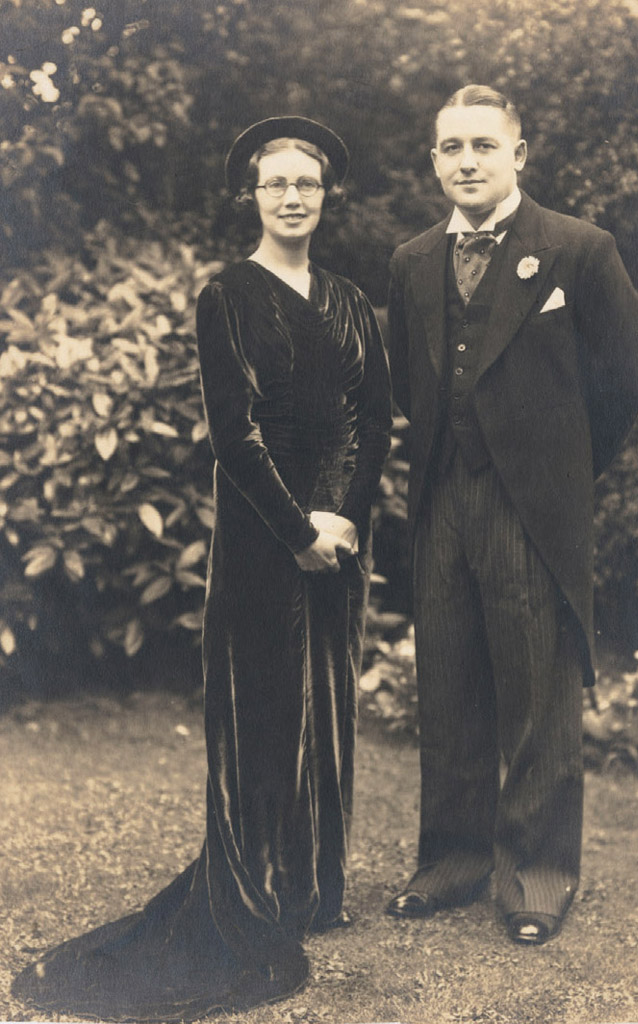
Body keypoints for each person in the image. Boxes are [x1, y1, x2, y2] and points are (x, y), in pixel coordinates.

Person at [12, 116, 391, 1020]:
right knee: (265, 705)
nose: (292, 196)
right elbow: (235, 435)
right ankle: (261, 887)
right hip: (265, 538)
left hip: (340, 533)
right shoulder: (226, 294)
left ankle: (313, 890)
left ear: (325, 193)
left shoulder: (350, 300)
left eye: (306, 182)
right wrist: (300, 530)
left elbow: (373, 419)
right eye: (276, 185)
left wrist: (342, 517)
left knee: (329, 708)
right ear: (253, 196)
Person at [385, 85, 638, 945]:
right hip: (440, 500)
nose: (466, 161)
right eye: (451, 148)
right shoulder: (411, 261)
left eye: (483, 147)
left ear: (518, 155)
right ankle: (452, 862)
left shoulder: (578, 249)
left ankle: (535, 875)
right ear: (433, 161)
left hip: (531, 505)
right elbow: (406, 384)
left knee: (537, 690)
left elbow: (619, 390)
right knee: (450, 684)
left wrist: (559, 475)